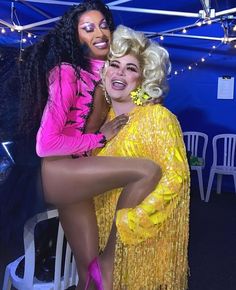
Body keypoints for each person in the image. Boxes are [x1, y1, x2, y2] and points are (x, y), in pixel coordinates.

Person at [19, 1, 162, 289]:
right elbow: (45, 144)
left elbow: (122, 94)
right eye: (88, 28)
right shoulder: (66, 73)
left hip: (76, 172)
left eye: (103, 25)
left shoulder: (102, 73)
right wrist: (100, 138)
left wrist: (145, 97)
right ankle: (112, 259)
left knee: (89, 268)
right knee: (147, 171)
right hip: (60, 171)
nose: (99, 32)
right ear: (76, 37)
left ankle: (101, 270)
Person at [89, 25, 190, 290]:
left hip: (140, 246)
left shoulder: (158, 118)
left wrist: (131, 221)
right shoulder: (104, 122)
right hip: (99, 239)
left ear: (142, 79)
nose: (120, 72)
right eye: (114, 64)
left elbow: (176, 177)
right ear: (104, 72)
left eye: (131, 68)